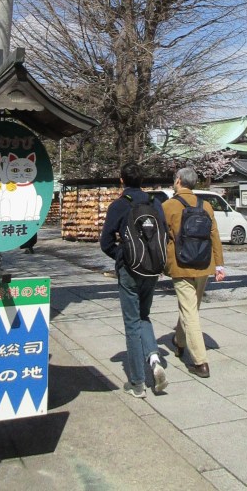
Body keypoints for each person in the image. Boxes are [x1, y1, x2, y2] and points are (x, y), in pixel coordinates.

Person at [100, 161, 169, 398]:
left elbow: (106, 242)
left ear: (122, 180)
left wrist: (122, 255)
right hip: (152, 269)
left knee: (131, 323)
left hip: (130, 270)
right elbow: (164, 233)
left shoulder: (119, 205)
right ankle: (154, 359)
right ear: (142, 181)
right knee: (143, 315)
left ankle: (138, 383)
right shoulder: (155, 203)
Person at [162, 167, 225, 378]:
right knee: (190, 308)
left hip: (180, 265)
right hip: (204, 264)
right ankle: (179, 342)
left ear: (179, 180)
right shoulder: (205, 205)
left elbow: (160, 238)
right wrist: (219, 265)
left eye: (175, 179)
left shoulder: (168, 206)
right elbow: (214, 236)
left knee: (190, 312)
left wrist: (159, 265)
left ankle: (200, 362)